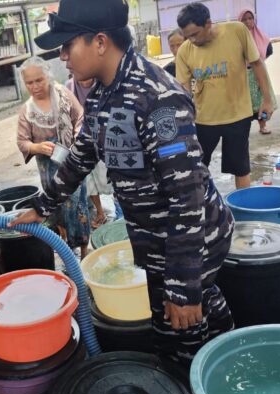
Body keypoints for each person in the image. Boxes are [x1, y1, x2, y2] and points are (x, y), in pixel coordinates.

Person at [13, 0, 235, 365]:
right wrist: (42, 206)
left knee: (178, 336)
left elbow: (188, 196)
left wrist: (182, 288)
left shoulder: (157, 97)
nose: (63, 57)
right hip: (155, 238)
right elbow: (82, 155)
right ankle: (226, 341)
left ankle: (199, 376)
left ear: (100, 42)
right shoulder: (103, 94)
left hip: (190, 242)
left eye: (68, 45)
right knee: (197, 313)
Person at [175, 3, 274, 189]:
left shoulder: (237, 31)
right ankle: (202, 211)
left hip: (238, 116)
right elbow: (184, 89)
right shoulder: (185, 50)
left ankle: (244, 210)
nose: (192, 40)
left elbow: (257, 64)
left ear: (208, 23)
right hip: (204, 120)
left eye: (195, 34)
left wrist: (267, 100)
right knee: (196, 167)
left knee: (241, 168)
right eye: (187, 36)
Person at [17, 57, 91, 258]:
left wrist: (76, 138)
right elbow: (22, 142)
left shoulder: (63, 95)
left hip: (71, 161)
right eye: (29, 83)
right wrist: (37, 147)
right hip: (48, 167)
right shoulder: (27, 110)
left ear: (48, 76)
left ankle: (84, 249)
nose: (35, 86)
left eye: (39, 80)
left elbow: (81, 117)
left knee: (77, 205)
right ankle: (66, 247)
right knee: (55, 206)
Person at [65, 75, 112, 228]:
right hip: (84, 138)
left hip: (107, 135)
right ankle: (100, 212)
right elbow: (72, 115)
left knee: (113, 175)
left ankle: (121, 209)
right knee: (89, 178)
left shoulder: (104, 83)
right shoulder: (69, 88)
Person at [239, 9, 277, 135]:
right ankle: (244, 130)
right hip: (243, 74)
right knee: (246, 102)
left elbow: (269, 50)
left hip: (259, 73)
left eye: (250, 18)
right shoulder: (237, 38)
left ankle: (263, 125)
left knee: (262, 99)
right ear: (239, 21)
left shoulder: (260, 35)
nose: (248, 21)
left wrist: (258, 63)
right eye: (244, 19)